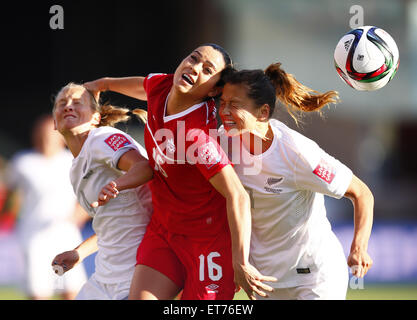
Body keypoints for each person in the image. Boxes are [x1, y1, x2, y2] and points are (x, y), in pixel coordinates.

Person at [84, 43, 276, 300]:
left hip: (208, 243)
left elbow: (238, 196)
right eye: (193, 58)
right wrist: (101, 84)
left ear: (214, 90)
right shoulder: (161, 87)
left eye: (207, 70)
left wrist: (241, 262)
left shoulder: (197, 136)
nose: (194, 67)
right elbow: (142, 86)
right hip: (164, 232)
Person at [217, 63, 374, 300]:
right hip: (266, 282)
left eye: (235, 105)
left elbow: (361, 193)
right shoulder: (222, 142)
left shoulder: (297, 154)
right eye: (223, 103)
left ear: (262, 112)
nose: (224, 112)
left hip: (315, 278)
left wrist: (359, 248)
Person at [50, 83, 153, 300]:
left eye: (77, 103)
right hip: (105, 277)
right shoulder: (75, 169)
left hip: (136, 274)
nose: (68, 106)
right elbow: (110, 225)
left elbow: (144, 167)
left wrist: (118, 185)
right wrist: (78, 253)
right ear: (54, 123)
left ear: (95, 118)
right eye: (62, 103)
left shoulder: (101, 138)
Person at [5, 115, 89, 300]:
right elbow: (8, 194)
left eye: (50, 135)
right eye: (41, 135)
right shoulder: (23, 162)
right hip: (33, 236)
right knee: (38, 291)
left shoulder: (73, 161)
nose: (45, 140)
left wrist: (79, 215)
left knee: (71, 290)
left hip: (66, 234)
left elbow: (88, 195)